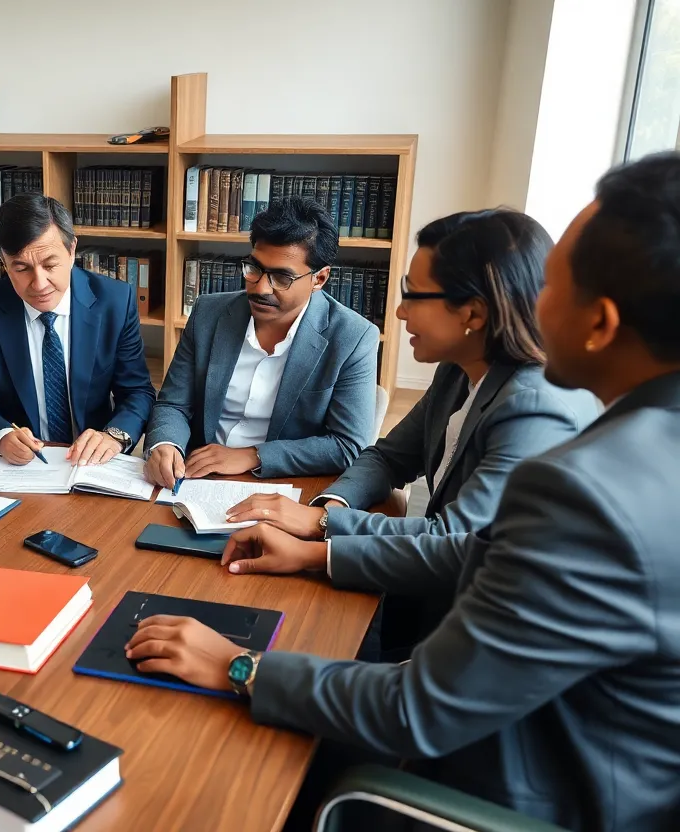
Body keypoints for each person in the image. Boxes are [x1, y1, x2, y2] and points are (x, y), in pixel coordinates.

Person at [124, 153, 680, 829]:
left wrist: (241, 668)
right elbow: (412, 480)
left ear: (601, 323)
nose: (397, 307)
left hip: (523, 782)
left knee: (228, 772)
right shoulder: (583, 423)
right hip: (524, 709)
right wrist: (324, 527)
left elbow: (422, 708)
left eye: (552, 285)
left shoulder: (583, 481)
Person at [223, 209, 599, 658]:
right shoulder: (462, 369)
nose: (399, 312)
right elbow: (388, 457)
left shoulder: (533, 407)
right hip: (418, 598)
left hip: (477, 638)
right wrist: (330, 506)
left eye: (413, 295)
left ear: (473, 313)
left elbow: (451, 539)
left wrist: (320, 527)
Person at [145, 196, 379, 486]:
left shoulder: (354, 337)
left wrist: (253, 456)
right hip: (194, 477)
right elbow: (173, 404)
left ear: (319, 279)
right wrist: (165, 445)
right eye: (254, 268)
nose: (260, 287)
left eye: (282, 277)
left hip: (281, 484)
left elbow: (346, 445)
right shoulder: (208, 313)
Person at [0, 194, 155, 466]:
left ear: (72, 251)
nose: (39, 283)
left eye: (50, 265)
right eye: (21, 268)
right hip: (25, 465)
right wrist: (0, 436)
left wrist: (114, 436)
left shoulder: (115, 302)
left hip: (93, 462)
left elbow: (137, 391)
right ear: (4, 263)